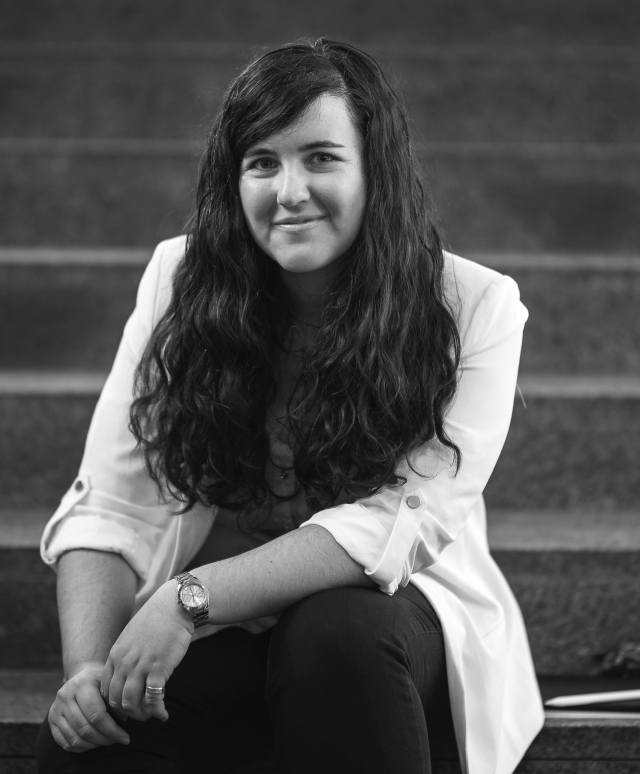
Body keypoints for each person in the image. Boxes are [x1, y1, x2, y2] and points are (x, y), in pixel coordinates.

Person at [35, 38, 544, 774]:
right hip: (224, 629)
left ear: (377, 168)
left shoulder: (473, 308)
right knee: (91, 737)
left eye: (321, 157)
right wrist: (89, 672)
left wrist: (187, 599)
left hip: (390, 631)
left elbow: (394, 527)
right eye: (262, 162)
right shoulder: (179, 281)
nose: (290, 191)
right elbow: (109, 505)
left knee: (334, 631)